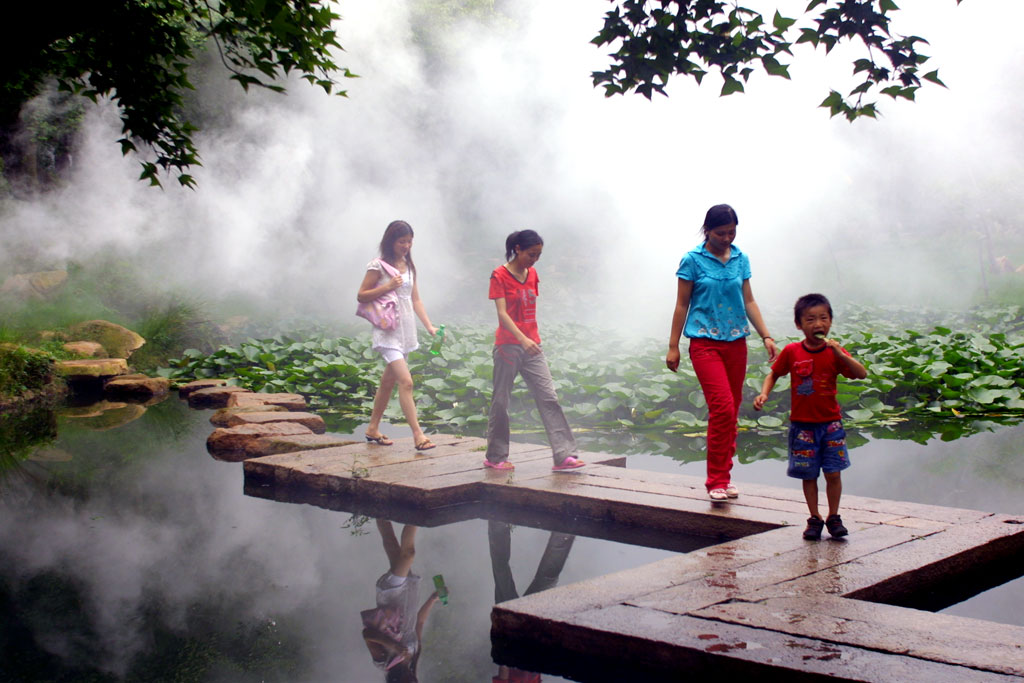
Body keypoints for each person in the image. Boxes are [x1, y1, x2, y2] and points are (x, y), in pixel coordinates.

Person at [666, 204, 778, 502]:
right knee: (723, 408)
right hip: (704, 343)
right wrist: (673, 345)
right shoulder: (693, 260)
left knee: (732, 410)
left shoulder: (740, 258)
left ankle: (725, 477)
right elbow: (681, 304)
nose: (727, 238)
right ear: (707, 230)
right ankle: (715, 480)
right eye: (721, 233)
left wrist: (766, 335)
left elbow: (749, 300)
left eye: (732, 232)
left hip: (736, 343)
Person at [753, 293, 868, 540]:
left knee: (834, 472)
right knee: (808, 474)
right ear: (799, 324)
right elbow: (773, 374)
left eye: (823, 318)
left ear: (830, 321)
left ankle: (834, 517)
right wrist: (764, 394)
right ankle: (814, 517)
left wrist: (840, 354)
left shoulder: (835, 351)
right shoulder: (792, 351)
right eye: (811, 319)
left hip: (831, 425)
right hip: (802, 426)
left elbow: (861, 374)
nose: (818, 324)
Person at [484, 230, 585, 472]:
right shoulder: (499, 275)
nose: (535, 259)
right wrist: (521, 339)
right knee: (501, 401)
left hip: (532, 346)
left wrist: (529, 340)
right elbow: (502, 314)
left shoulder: (533, 274)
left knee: (548, 396)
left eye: (538, 255)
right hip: (508, 346)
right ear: (517, 249)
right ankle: (495, 456)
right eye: (531, 254)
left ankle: (564, 456)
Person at [358, 220, 438, 451]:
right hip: (387, 331)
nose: (406, 245)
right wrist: (388, 286)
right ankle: (418, 435)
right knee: (406, 381)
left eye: (409, 241)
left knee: (388, 382)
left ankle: (373, 428)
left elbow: (415, 300)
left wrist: (429, 326)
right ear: (390, 241)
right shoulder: (378, 266)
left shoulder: (410, 267)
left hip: (406, 331)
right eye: (402, 241)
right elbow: (362, 295)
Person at [360, 520, 441, 682]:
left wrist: (392, 645)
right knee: (392, 544)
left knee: (407, 555)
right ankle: (379, 505)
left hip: (390, 598)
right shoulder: (414, 656)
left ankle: (418, 512)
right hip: (408, 596)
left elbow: (367, 634)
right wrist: (433, 599)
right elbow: (419, 623)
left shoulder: (384, 662)